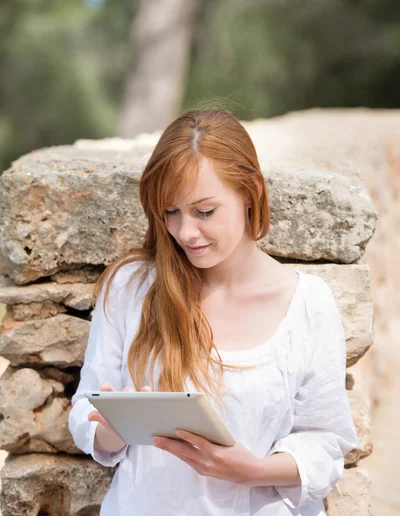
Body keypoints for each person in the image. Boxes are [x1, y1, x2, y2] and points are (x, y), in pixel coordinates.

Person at [68, 109, 359, 516]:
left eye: (204, 211)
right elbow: (86, 408)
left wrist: (252, 471)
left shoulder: (308, 303)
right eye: (171, 212)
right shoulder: (131, 287)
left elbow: (325, 441)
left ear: (251, 192)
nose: (185, 232)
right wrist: (113, 429)